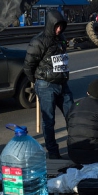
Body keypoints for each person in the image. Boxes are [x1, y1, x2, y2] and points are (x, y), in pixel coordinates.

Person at [23, 9, 73, 159]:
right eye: (56, 26)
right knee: (49, 121)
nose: (59, 29)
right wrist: (38, 81)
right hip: (46, 85)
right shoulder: (38, 41)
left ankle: (76, 146)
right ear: (50, 24)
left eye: (61, 26)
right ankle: (53, 152)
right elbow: (28, 66)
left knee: (73, 116)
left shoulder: (61, 38)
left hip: (62, 84)